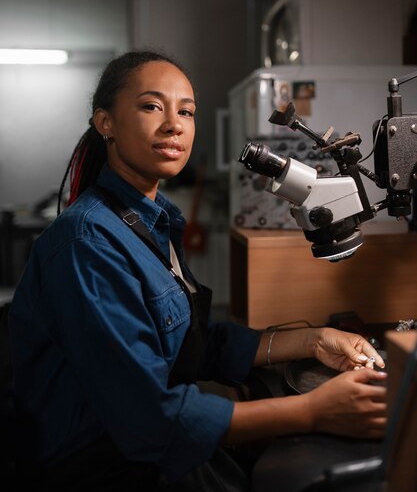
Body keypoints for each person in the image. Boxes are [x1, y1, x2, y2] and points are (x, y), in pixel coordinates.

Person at [8, 50, 387, 491]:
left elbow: (190, 343)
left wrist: (312, 340)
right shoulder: (88, 245)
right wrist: (315, 410)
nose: (174, 124)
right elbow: (150, 421)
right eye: (152, 106)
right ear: (105, 122)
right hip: (108, 469)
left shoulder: (148, 220)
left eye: (186, 111)